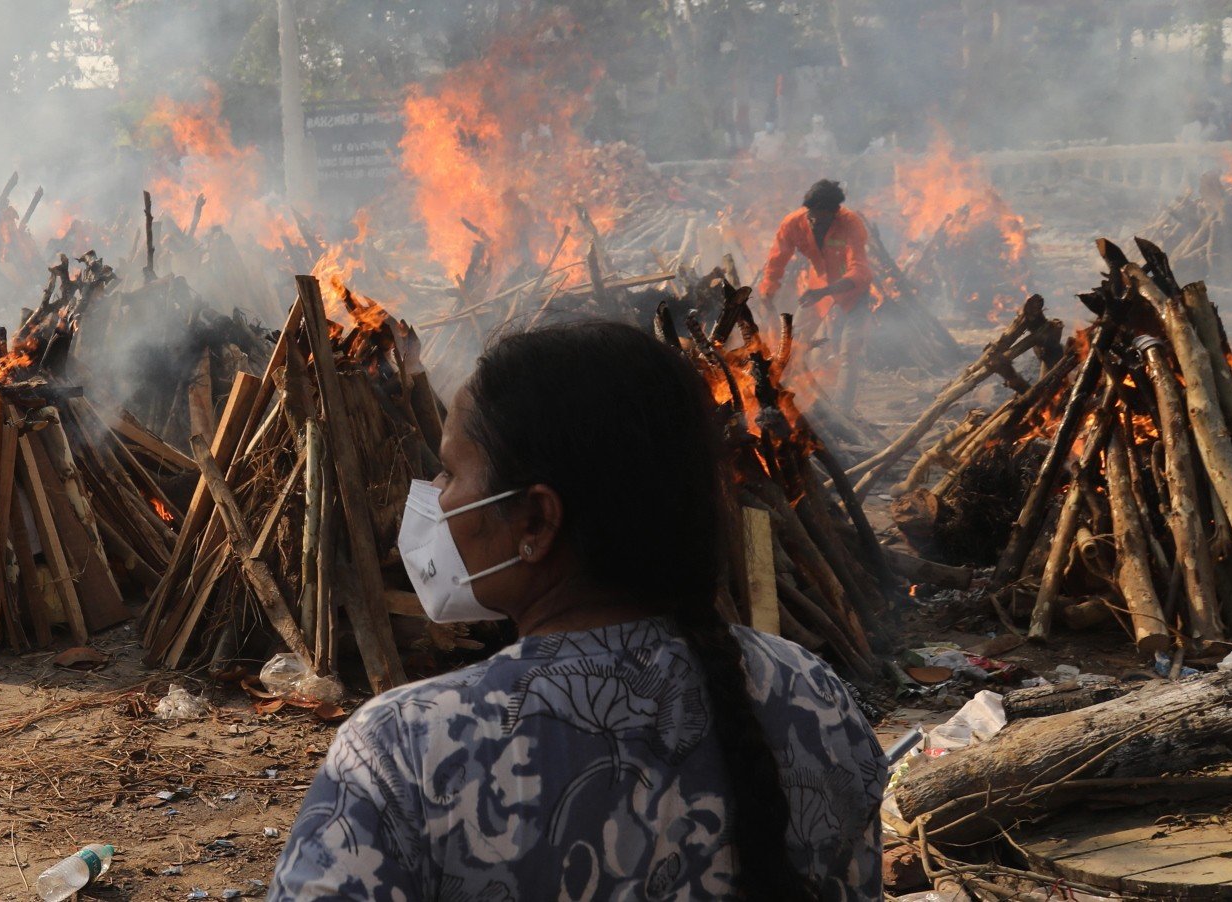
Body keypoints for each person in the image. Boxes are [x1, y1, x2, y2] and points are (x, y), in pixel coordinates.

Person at [269, 323, 886, 900]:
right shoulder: (814, 701)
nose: (436, 495)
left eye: (451, 470)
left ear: (535, 521)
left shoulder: (409, 750)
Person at [758, 179, 873, 325]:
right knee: (794, 340)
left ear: (834, 213)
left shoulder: (850, 223)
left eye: (820, 222)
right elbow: (777, 258)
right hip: (816, 291)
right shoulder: (793, 223)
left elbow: (860, 270)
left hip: (852, 296)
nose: (813, 226)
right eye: (811, 218)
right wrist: (768, 287)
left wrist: (824, 292)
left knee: (848, 346)